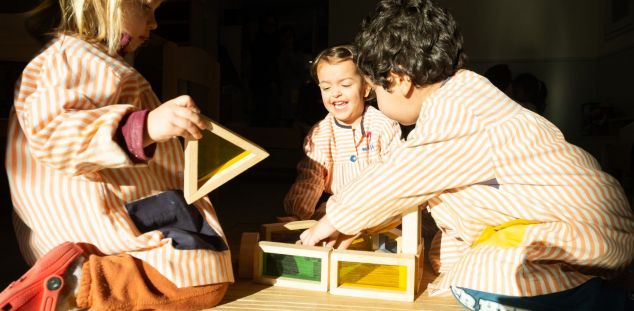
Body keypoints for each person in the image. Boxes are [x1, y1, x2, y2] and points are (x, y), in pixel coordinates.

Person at [299, 0, 634, 310]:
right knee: (459, 268)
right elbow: (454, 209)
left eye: (377, 92)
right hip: (558, 225)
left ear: (399, 81)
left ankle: (606, 302)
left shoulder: (458, 110)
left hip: (579, 229)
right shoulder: (457, 103)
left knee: (481, 279)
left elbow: (400, 177)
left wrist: (333, 219)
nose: (378, 103)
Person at [0, 0, 232, 310]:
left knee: (207, 261)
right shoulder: (71, 58)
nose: (154, 24)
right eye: (146, 8)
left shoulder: (97, 61)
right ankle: (76, 282)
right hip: (84, 222)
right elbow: (55, 134)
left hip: (118, 208)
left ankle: (84, 279)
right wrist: (146, 126)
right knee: (201, 277)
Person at [279, 45, 402, 241]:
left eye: (345, 85)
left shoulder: (384, 125)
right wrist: (297, 214)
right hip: (337, 209)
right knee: (318, 230)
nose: (335, 93)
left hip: (379, 207)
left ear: (366, 87)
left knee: (390, 231)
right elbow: (311, 178)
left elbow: (396, 173)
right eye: (326, 88)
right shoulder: (320, 133)